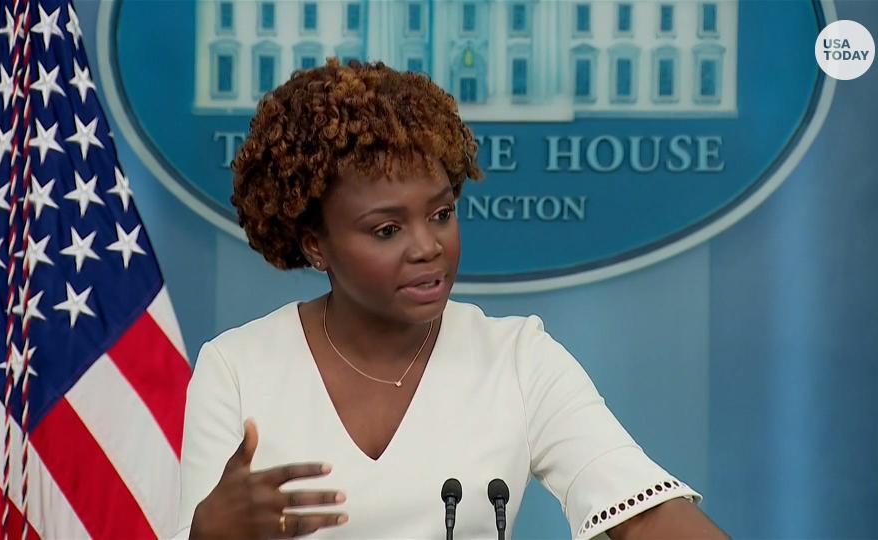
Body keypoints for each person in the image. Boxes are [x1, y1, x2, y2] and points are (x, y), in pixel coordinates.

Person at [176, 58, 727, 540]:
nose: (428, 247)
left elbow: (648, 516)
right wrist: (208, 535)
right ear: (316, 246)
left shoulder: (517, 357)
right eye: (387, 230)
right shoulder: (236, 368)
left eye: (441, 215)